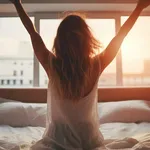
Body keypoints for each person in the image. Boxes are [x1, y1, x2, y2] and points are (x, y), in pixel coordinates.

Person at [9, 0, 150, 149]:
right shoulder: (96, 65)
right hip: (88, 141)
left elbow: (32, 32)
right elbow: (121, 35)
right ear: (87, 40)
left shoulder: (52, 65)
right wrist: (139, 8)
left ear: (59, 41)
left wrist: (17, 3)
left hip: (58, 140)